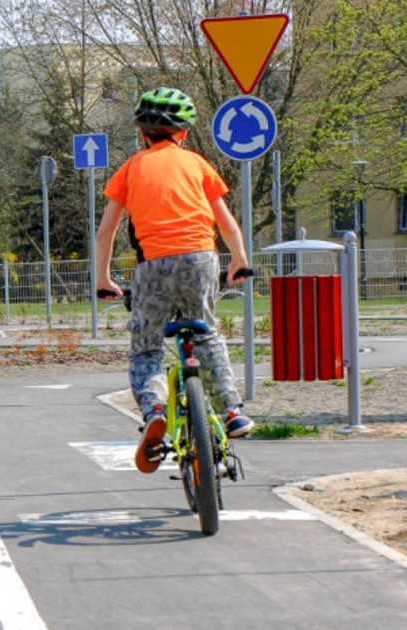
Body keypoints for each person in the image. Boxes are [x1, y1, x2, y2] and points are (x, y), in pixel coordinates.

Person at [93, 87, 255, 474]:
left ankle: (154, 412)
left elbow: (105, 233)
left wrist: (103, 279)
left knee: (147, 347)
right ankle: (231, 411)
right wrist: (239, 260)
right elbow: (224, 220)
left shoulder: (131, 168)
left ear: (143, 134)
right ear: (183, 133)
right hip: (200, 259)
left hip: (153, 267)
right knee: (207, 333)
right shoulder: (197, 164)